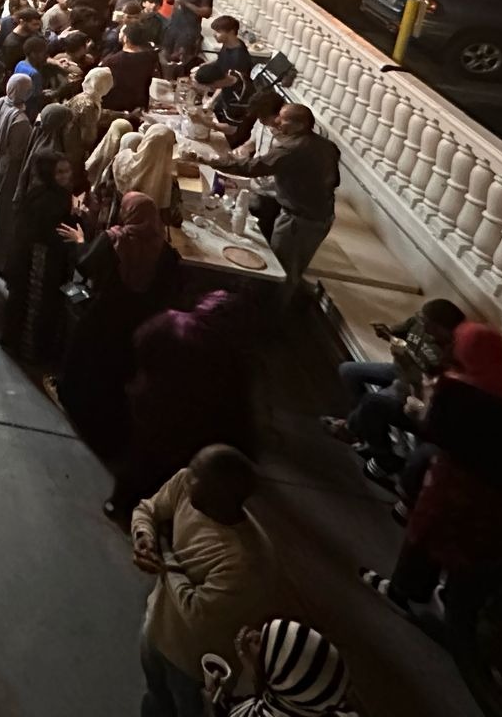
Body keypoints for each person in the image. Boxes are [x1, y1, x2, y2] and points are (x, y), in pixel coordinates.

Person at [361, 322, 502, 623]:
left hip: (458, 486)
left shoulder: (455, 388)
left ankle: (403, 591)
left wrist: (423, 405)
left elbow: (434, 431)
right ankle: (448, 605)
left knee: (426, 535)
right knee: (468, 549)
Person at [131, 445, 277, 717]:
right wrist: (144, 536)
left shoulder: (245, 560)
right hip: (156, 626)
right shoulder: (185, 486)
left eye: (196, 473)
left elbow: (196, 612)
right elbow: (148, 509)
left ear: (220, 496)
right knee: (155, 696)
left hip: (193, 663)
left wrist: (165, 552)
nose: (187, 475)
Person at [111, 292, 261, 517]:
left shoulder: (171, 321)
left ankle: (120, 502)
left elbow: (139, 342)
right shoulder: (234, 361)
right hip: (193, 430)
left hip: (151, 408)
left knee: (141, 457)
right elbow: (240, 412)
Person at [55, 192, 181, 458]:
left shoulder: (114, 240)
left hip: (103, 314)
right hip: (138, 323)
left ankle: (73, 401)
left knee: (86, 357)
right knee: (117, 373)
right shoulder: (166, 253)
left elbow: (84, 265)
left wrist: (80, 241)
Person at [323, 298, 466, 486]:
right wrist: (386, 333)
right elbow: (398, 333)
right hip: (398, 370)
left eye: (429, 324)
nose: (423, 326)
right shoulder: (419, 323)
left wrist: (406, 360)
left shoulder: (449, 353)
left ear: (443, 329)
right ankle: (361, 427)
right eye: (423, 320)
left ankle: (371, 444)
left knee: (374, 402)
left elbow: (427, 387)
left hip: (413, 389)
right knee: (348, 370)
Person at [213, 104, 338, 295]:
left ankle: (271, 309)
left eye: (283, 118)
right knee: (294, 268)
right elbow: (334, 181)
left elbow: (252, 167)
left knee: (281, 271)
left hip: (299, 221)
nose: (277, 121)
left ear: (300, 125)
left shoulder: (292, 149)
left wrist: (211, 160)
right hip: (321, 217)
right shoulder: (326, 146)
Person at [0, 150, 77, 361]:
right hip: (40, 262)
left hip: (33, 257)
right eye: (59, 172)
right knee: (36, 305)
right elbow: (50, 232)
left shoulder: (41, 192)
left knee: (24, 300)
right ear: (48, 173)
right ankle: (30, 351)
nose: (65, 176)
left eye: (67, 170)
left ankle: (14, 339)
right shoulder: (50, 199)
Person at [205, 619, 359, 717]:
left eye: (259, 642)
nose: (251, 634)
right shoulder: (316, 702)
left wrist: (211, 705)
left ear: (283, 681)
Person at [0, 71, 36, 274]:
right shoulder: (21, 121)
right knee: (3, 214)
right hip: (9, 170)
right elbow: (17, 153)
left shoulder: (2, 103)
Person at [103, 25, 160, 113]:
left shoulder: (112, 61)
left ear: (126, 38)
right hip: (140, 108)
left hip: (116, 109)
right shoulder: (151, 58)